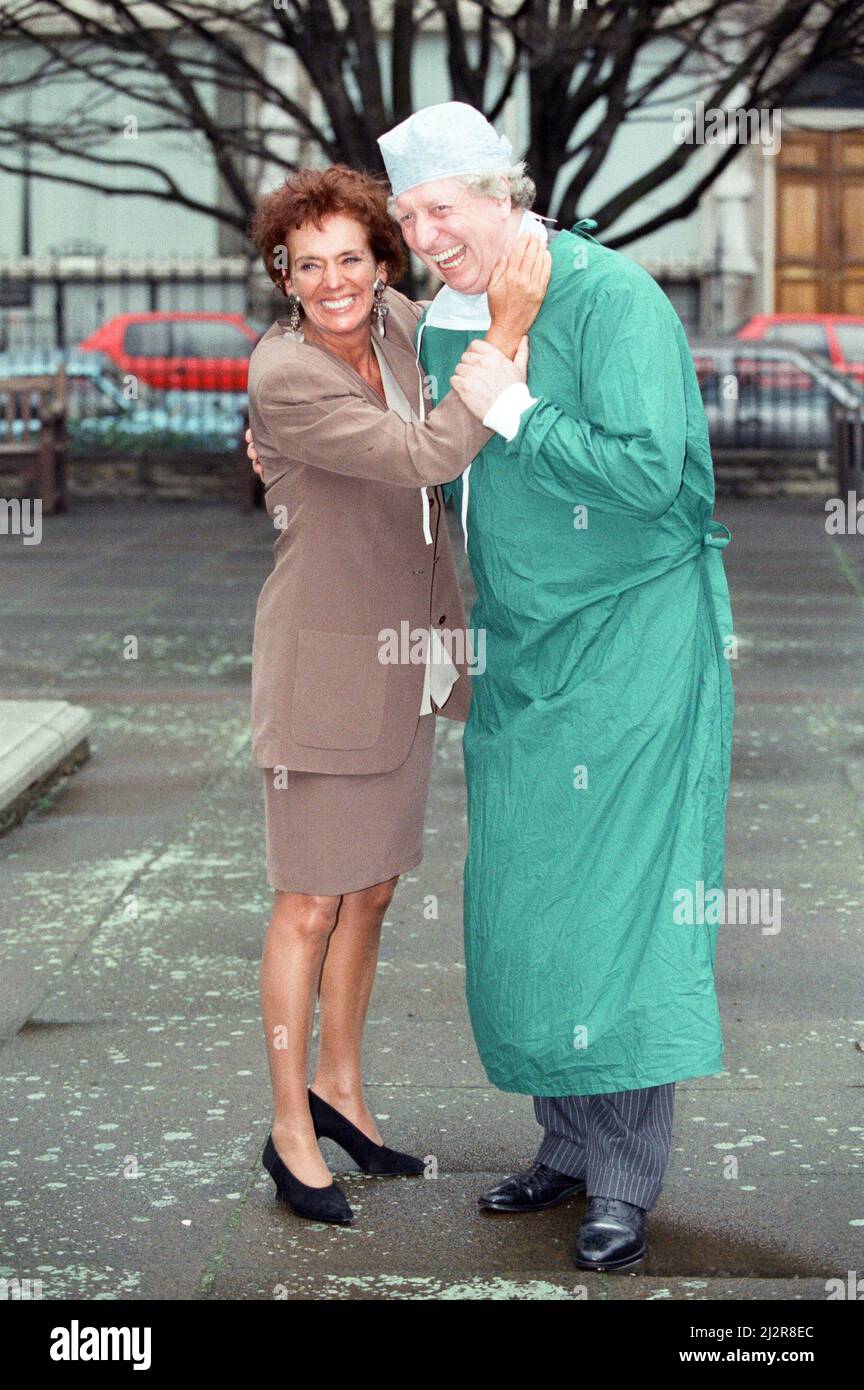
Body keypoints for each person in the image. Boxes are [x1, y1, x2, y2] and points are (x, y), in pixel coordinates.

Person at [378, 102, 735, 1273]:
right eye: (409, 214)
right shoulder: (444, 322)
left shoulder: (612, 296)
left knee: (613, 904)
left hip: (632, 636)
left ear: (503, 192)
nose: (425, 233)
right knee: (527, 897)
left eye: (441, 208)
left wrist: (521, 409)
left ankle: (625, 1184)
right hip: (523, 645)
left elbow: (662, 483)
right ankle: (568, 1144)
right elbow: (435, 470)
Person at [246, 164, 551, 1225]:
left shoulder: (398, 328)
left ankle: (342, 1092)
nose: (332, 281)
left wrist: (513, 256)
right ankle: (292, 1131)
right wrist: (503, 342)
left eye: (352, 258)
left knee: (370, 889)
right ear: (283, 275)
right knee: (309, 902)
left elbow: (482, 281)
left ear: (384, 263)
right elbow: (428, 455)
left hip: (408, 662)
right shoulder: (284, 375)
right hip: (324, 674)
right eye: (308, 263)